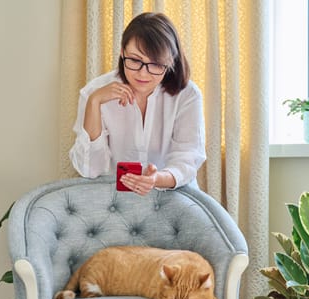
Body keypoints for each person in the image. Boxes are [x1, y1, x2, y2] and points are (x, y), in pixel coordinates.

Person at [69, 12, 206, 195]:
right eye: (134, 60)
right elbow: (90, 169)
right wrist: (94, 103)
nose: (143, 74)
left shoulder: (188, 95)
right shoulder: (94, 93)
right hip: (115, 200)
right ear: (122, 52)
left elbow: (187, 159)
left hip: (171, 195)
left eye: (156, 64)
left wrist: (156, 179)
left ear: (171, 61)